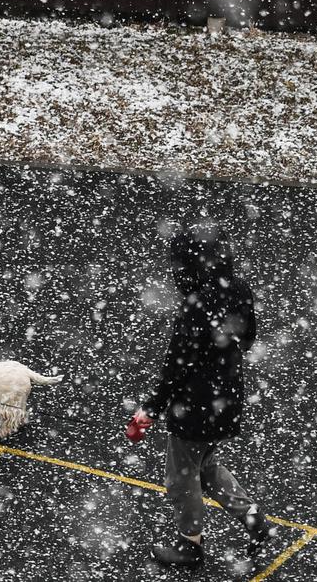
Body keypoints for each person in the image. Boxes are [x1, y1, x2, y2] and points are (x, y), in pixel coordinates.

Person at [126, 221, 272, 566]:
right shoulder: (238, 288)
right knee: (206, 465)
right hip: (229, 398)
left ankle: (189, 546)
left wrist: (151, 408)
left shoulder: (195, 305)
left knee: (181, 478)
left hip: (194, 406)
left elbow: (178, 365)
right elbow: (248, 336)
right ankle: (254, 519)